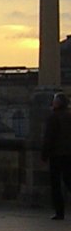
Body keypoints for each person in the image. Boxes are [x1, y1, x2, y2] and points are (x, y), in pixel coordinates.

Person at [41, 92, 71, 220]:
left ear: (57, 103)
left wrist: (44, 154)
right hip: (69, 154)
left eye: (54, 101)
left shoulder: (53, 117)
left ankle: (60, 212)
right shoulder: (69, 116)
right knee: (69, 181)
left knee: (56, 184)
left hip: (57, 155)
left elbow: (49, 138)